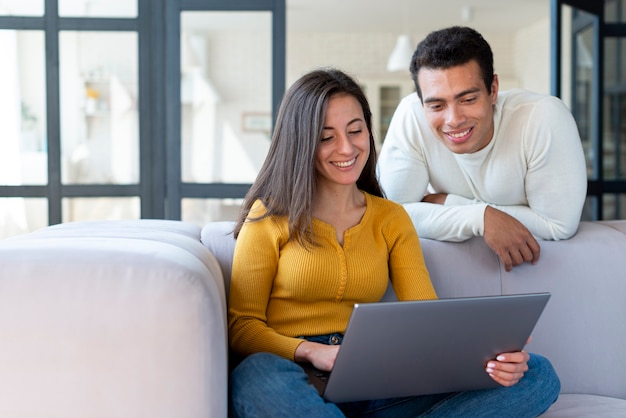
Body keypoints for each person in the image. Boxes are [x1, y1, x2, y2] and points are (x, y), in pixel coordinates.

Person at [228, 68, 560, 417]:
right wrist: (311, 351)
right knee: (256, 375)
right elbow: (243, 328)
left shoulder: (391, 218)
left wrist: (490, 357)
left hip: (376, 379)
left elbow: (427, 320)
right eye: (326, 137)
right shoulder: (268, 216)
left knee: (536, 374)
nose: (346, 147)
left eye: (355, 131)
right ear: (302, 141)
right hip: (293, 374)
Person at [377, 26, 588, 272]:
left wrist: (449, 203)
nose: (453, 119)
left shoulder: (542, 118)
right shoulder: (411, 116)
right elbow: (390, 217)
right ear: (421, 102)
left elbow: (557, 226)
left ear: (493, 90)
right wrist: (479, 218)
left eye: (467, 100)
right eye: (436, 105)